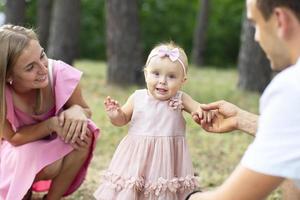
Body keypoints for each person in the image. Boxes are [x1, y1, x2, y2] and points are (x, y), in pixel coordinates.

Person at [187, 0, 300, 199]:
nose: (256, 37)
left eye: (256, 24)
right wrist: (241, 119)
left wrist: (183, 196)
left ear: (280, 20)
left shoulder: (291, 87)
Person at [93, 42, 213, 200]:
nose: (162, 81)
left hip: (167, 160)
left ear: (183, 81)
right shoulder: (137, 97)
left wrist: (205, 113)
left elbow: (198, 109)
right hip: (137, 157)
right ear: (145, 74)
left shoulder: (182, 98)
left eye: (171, 76)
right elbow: (121, 120)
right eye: (156, 74)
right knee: (133, 188)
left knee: (161, 191)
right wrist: (115, 114)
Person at [0, 24, 100, 200]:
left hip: (56, 145)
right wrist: (51, 124)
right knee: (28, 155)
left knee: (84, 133)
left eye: (42, 55)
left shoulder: (58, 72)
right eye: (30, 67)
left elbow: (86, 110)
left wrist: (78, 111)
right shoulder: (3, 94)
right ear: (9, 76)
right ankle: (22, 192)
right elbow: (13, 138)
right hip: (19, 151)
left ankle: (53, 198)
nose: (43, 69)